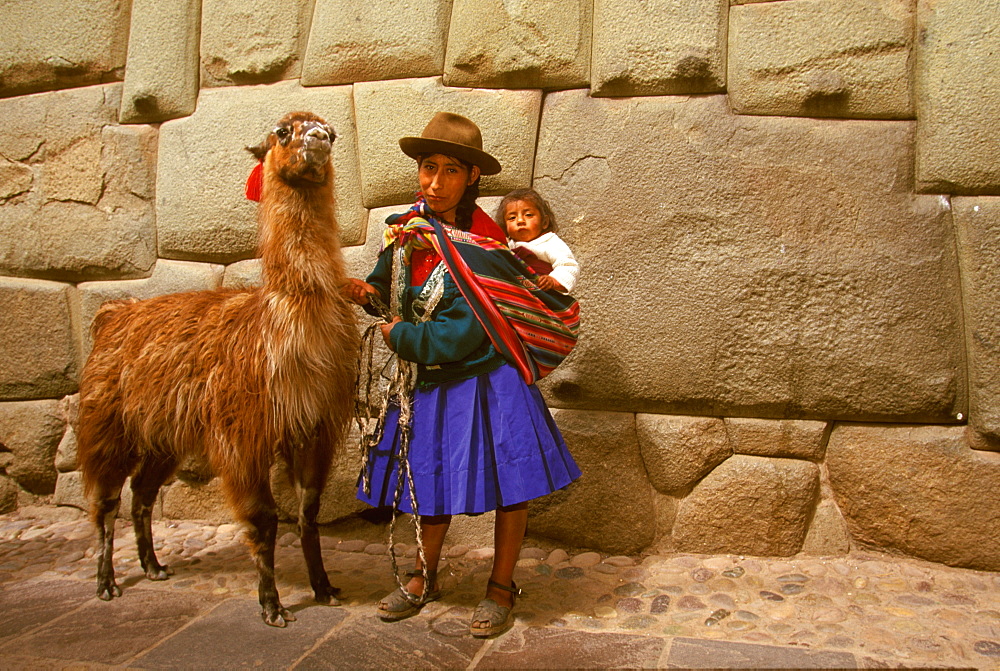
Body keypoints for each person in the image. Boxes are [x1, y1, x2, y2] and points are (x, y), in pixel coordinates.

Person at [343, 112, 581, 638]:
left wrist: (397, 337)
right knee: (429, 481)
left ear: (472, 177)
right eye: (428, 168)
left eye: (451, 171)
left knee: (510, 485)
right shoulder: (408, 228)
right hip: (431, 379)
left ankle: (500, 585)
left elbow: (463, 332)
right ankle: (424, 576)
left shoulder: (487, 242)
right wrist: (367, 294)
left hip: (487, 379)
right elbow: (388, 286)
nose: (435, 182)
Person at [496, 188, 579, 294]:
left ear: (544, 222)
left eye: (528, 215)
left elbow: (568, 266)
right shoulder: (507, 247)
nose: (520, 220)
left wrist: (553, 280)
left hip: (545, 297)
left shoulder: (550, 242)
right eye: (512, 217)